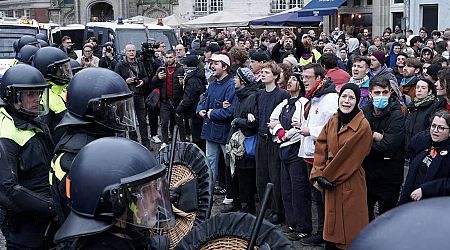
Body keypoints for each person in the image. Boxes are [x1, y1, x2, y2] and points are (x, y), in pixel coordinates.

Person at [49, 68, 137, 225]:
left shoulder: (96, 142)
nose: (119, 115)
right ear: (94, 110)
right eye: (114, 108)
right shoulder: (73, 158)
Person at [54, 137, 174, 249]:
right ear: (114, 203)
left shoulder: (122, 236)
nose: (157, 196)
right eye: (146, 190)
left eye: (155, 187)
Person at [311, 84, 372, 250]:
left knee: (349, 232)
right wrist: (318, 173)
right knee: (332, 228)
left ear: (358, 101)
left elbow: (349, 158)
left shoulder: (363, 126)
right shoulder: (333, 119)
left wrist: (326, 177)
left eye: (351, 97)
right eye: (344, 96)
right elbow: (321, 146)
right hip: (330, 182)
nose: (346, 101)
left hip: (349, 182)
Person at [0, 64, 55, 249]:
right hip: (24, 227)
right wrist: (51, 206)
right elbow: (9, 190)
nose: (37, 99)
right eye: (30, 94)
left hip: (43, 218)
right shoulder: (5, 133)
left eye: (39, 93)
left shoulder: (32, 119)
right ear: (12, 97)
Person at [298, 63, 338, 247]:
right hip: (309, 153)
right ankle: (321, 231)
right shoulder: (314, 96)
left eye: (308, 77)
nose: (304, 81)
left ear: (319, 79)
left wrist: (311, 131)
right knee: (316, 198)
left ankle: (325, 233)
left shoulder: (330, 99)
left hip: (321, 156)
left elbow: (333, 127)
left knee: (322, 199)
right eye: (303, 77)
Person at [268, 72, 309, 241]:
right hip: (283, 148)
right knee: (286, 188)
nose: (290, 82)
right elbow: (273, 120)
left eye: (294, 80)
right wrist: (279, 132)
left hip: (295, 149)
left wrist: (284, 135)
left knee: (298, 189)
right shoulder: (284, 103)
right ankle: (292, 222)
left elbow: (300, 126)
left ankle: (303, 226)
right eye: (289, 80)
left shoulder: (303, 102)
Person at [362, 76, 405, 221]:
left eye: (385, 93)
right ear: (370, 94)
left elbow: (389, 145)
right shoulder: (364, 112)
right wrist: (377, 136)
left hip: (389, 178)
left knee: (387, 218)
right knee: (364, 216)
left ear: (390, 93)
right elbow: (355, 140)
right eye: (377, 93)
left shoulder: (397, 115)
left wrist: (368, 137)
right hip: (367, 175)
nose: (381, 96)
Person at [255, 61, 289, 225]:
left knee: (274, 175)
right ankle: (265, 207)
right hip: (261, 138)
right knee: (261, 175)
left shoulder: (281, 94)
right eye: (262, 72)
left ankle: (277, 210)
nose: (262, 74)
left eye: (266, 72)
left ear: (275, 76)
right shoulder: (260, 93)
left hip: (274, 140)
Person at [223, 67, 258, 214]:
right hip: (236, 144)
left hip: (246, 144)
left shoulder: (252, 97)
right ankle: (236, 202)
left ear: (243, 81)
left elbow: (254, 122)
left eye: (236, 78)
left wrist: (238, 121)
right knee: (235, 174)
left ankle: (247, 206)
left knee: (246, 177)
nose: (233, 80)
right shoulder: (239, 96)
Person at [196, 54, 236, 184]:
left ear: (225, 66)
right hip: (210, 131)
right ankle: (209, 192)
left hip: (224, 133)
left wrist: (211, 114)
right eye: (211, 63)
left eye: (216, 63)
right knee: (210, 163)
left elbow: (230, 111)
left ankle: (232, 194)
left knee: (230, 164)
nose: (212, 66)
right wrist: (200, 110)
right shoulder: (212, 84)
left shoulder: (231, 85)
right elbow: (203, 99)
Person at [400, 109, 450, 205]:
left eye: (441, 128)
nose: (435, 130)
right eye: (433, 126)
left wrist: (426, 189)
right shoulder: (424, 143)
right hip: (411, 202)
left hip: (433, 206)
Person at [32, 46, 73, 142]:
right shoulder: (44, 97)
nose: (67, 71)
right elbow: (44, 134)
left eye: (67, 66)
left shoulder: (64, 88)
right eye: (62, 68)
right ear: (51, 71)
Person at [115, 43, 151, 148]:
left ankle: (145, 142)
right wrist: (125, 81)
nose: (131, 53)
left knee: (142, 120)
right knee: (130, 121)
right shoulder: (120, 65)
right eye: (129, 51)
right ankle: (134, 143)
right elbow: (116, 79)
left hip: (139, 94)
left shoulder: (140, 63)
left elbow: (146, 77)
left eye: (133, 51)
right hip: (127, 96)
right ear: (125, 52)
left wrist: (142, 82)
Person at [153, 50, 185, 144]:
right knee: (164, 123)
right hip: (165, 101)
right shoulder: (162, 68)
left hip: (177, 101)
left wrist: (183, 84)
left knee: (179, 123)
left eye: (170, 57)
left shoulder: (181, 69)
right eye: (167, 57)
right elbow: (153, 82)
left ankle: (183, 142)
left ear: (175, 57)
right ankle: (165, 143)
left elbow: (186, 87)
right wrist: (158, 77)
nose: (168, 59)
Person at [405, 79, 439, 152]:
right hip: (408, 149)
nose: (419, 90)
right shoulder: (412, 107)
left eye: (423, 88)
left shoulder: (434, 107)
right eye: (417, 87)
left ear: (429, 91)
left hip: (423, 149)